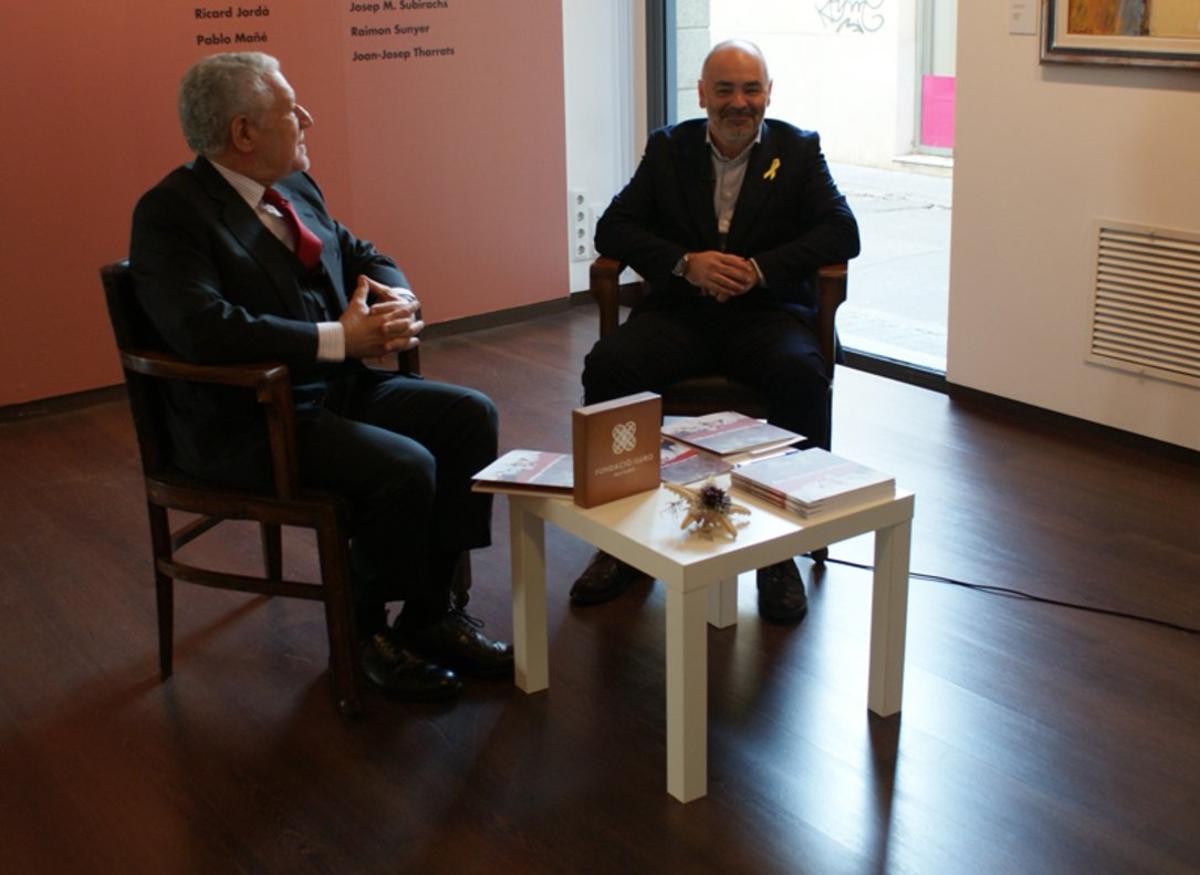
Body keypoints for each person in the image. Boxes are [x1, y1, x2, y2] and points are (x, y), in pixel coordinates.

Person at [130, 52, 512, 701]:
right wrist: (339, 338)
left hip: (335, 390)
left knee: (470, 416)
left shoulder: (295, 187)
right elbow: (202, 326)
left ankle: (430, 613)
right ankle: (364, 633)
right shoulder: (171, 214)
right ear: (243, 132)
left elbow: (361, 252)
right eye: (289, 107)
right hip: (252, 418)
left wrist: (399, 296)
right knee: (403, 466)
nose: (305, 116)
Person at [572, 40, 861, 623]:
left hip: (766, 314)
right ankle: (619, 539)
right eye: (724, 90)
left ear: (768, 93)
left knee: (801, 373)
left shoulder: (798, 150)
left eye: (751, 89)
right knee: (610, 366)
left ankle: (781, 551)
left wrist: (759, 270)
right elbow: (614, 227)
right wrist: (686, 262)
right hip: (681, 313)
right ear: (701, 94)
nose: (739, 103)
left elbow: (842, 232)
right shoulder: (670, 148)